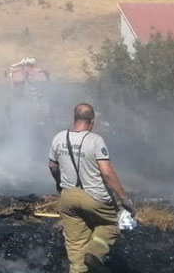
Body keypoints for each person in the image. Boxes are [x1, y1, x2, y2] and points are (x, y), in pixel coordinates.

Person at [48, 103, 134, 273]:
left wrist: (60, 184)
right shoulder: (95, 140)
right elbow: (106, 172)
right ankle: (95, 252)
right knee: (111, 225)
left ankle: (78, 269)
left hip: (68, 197)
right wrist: (124, 198)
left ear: (74, 119)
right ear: (92, 122)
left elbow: (52, 166)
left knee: (75, 244)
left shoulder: (59, 138)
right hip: (95, 197)